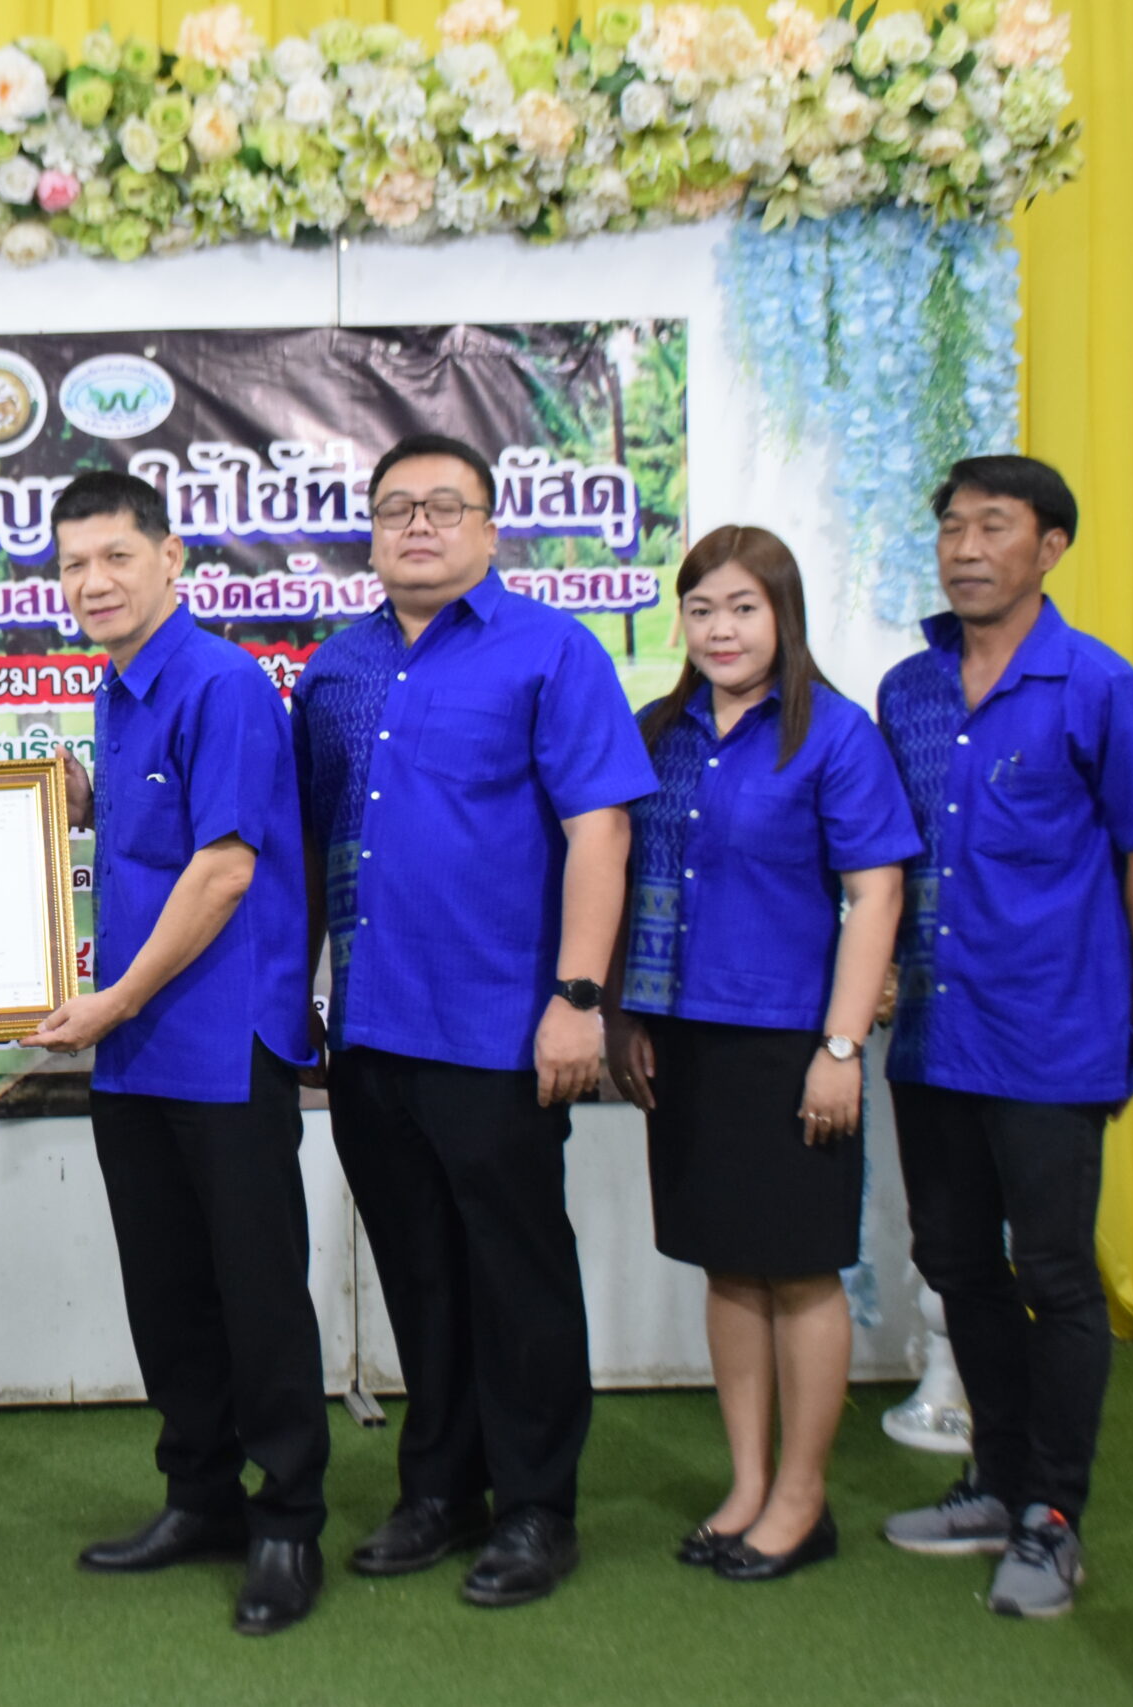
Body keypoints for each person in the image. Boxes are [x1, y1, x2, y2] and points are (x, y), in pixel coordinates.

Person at [292, 433, 654, 1608]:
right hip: (374, 1033)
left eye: (444, 507)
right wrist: (301, 998)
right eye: (395, 508)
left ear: (490, 529)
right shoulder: (335, 671)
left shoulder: (552, 652)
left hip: (502, 1028)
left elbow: (601, 829)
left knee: (516, 1272)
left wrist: (578, 999)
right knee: (419, 1272)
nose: (417, 527)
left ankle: (538, 1508)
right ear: (371, 530)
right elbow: (303, 844)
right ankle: (437, 1491)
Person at [874, 456, 1133, 1619]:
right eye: (950, 526)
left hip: (1053, 1031)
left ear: (1048, 546)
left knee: (1054, 1274)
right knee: (953, 1261)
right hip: (931, 1038)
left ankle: (1054, 1516)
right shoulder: (906, 688)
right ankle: (995, 1481)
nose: (964, 547)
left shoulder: (1103, 689)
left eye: (991, 527)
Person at [17, 472, 330, 1636]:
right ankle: (198, 1495)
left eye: (112, 556)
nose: (91, 582)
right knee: (167, 1289)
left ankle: (289, 1520)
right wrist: (73, 796)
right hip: (139, 1050)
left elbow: (224, 870)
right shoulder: (120, 688)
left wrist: (107, 1004)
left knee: (255, 1290)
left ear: (170, 557)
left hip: (221, 1042)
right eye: (69, 565)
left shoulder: (221, 683)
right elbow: (155, 830)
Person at [602, 526, 919, 1582]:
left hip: (791, 1042)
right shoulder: (658, 732)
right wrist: (628, 1017)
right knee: (727, 1267)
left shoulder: (832, 734)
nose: (720, 629)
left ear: (781, 614)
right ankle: (745, 1483)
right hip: (682, 1040)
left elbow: (876, 891)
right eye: (700, 610)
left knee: (798, 1271)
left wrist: (839, 1047)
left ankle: (801, 1497)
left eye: (742, 607)